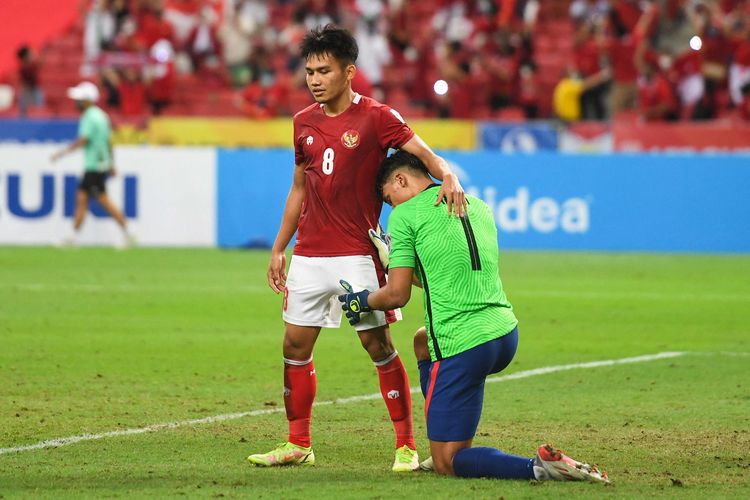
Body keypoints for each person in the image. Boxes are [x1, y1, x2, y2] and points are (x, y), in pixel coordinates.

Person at [247, 24, 466, 472]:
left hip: (356, 253)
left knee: (378, 344)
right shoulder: (301, 123)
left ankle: (405, 445)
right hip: (309, 252)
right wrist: (278, 247)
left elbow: (425, 154)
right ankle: (298, 443)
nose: (314, 79)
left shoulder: (378, 117)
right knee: (294, 344)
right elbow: (298, 190)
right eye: (309, 71)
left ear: (349, 72)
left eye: (323, 70)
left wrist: (449, 175)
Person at [337, 151, 609, 483]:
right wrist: (402, 269)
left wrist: (362, 301)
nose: (393, 207)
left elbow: (396, 295)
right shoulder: (479, 206)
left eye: (389, 199)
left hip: (463, 345)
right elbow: (447, 275)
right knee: (422, 341)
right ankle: (443, 431)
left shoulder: (406, 215)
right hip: (503, 333)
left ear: (401, 180)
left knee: (448, 463)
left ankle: (539, 468)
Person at [51, 81, 134, 248]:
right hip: (100, 164)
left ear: (87, 100)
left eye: (79, 99)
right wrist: (111, 163)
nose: (76, 103)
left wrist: (62, 153)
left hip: (94, 165)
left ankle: (127, 233)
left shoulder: (89, 117)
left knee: (101, 200)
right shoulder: (101, 116)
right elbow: (108, 142)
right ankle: (73, 236)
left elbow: (84, 140)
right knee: (83, 198)